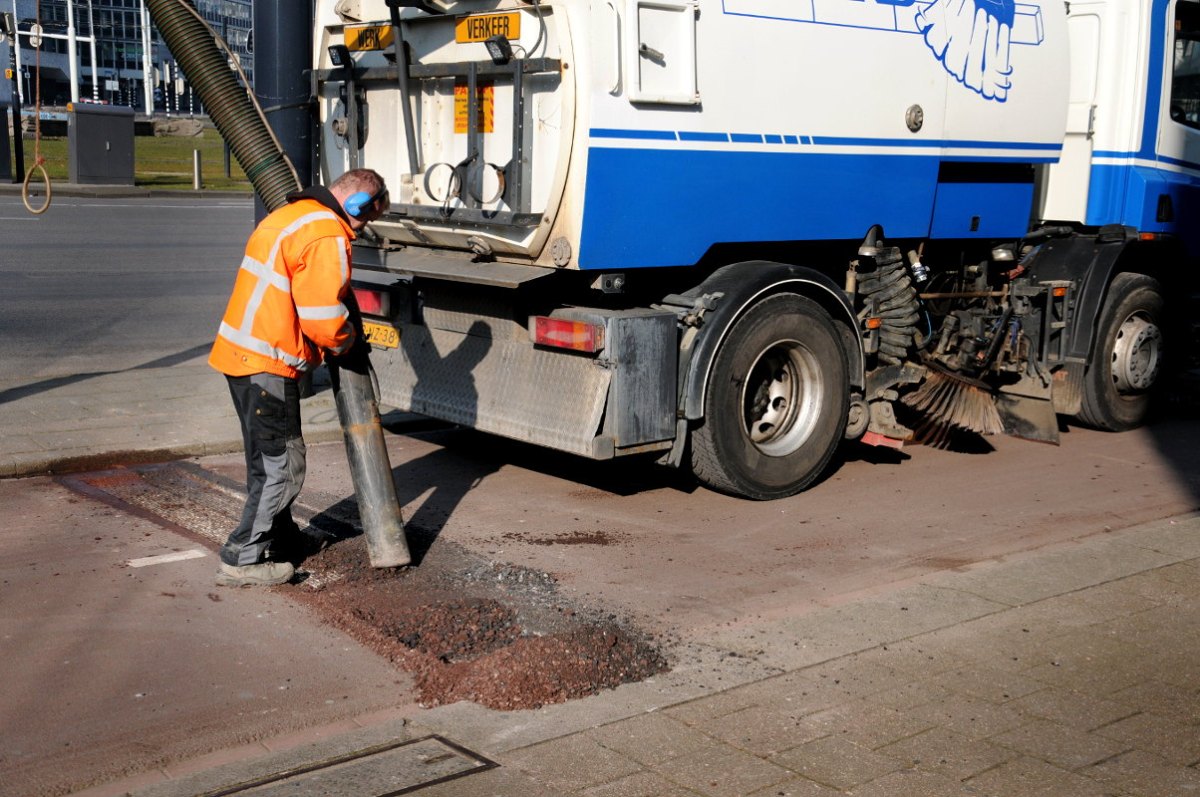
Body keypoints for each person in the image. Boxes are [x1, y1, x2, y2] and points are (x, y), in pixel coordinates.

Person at [208, 168, 389, 587]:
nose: (363, 228)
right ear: (360, 204)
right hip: (267, 362)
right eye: (368, 218)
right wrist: (348, 342)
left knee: (266, 460)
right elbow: (323, 319)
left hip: (241, 356)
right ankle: (242, 558)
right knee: (284, 466)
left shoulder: (290, 215)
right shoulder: (326, 232)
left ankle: (283, 539)